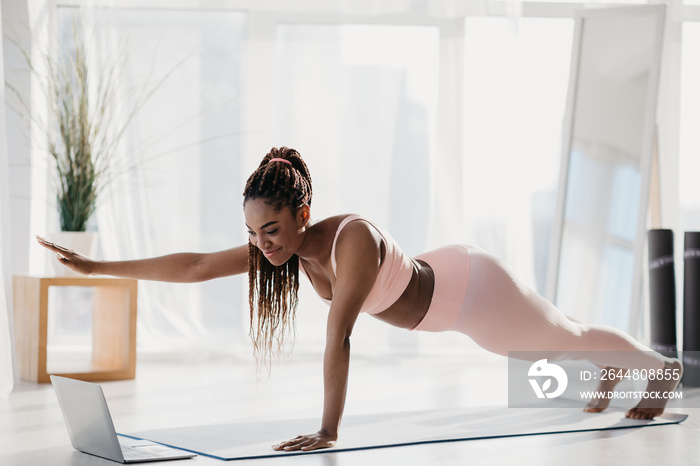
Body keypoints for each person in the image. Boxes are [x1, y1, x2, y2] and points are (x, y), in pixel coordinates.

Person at [37, 146, 683, 452]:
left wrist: (328, 431)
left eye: (272, 230)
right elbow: (200, 264)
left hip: (470, 294)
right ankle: (612, 371)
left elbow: (339, 336)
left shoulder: (350, 243)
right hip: (450, 298)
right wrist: (99, 263)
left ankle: (657, 376)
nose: (262, 247)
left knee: (562, 339)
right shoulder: (289, 251)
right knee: (564, 333)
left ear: (301, 214)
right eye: (253, 234)